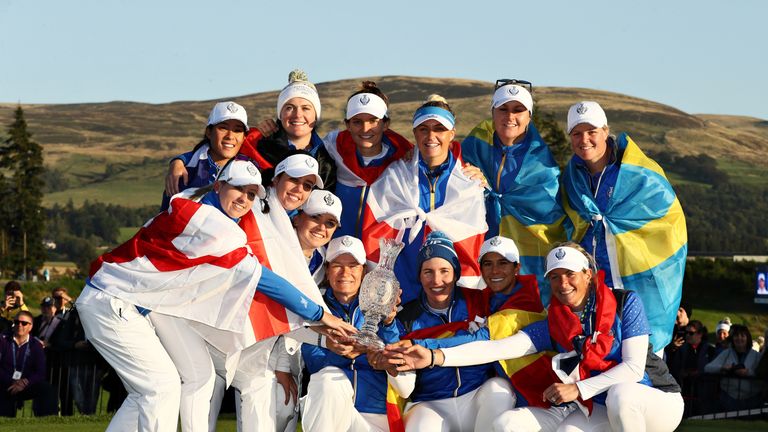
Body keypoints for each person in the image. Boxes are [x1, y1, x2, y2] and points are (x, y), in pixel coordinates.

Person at [77, 159, 354, 432]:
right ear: (219, 185)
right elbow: (262, 279)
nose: (244, 200)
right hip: (112, 300)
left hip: (133, 303)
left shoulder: (196, 202)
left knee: (181, 382)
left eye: (250, 194)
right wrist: (321, 316)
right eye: (238, 189)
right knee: (161, 388)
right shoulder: (215, 225)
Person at [390, 242, 684, 432]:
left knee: (623, 396)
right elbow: (495, 348)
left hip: (656, 400)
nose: (562, 283)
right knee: (531, 427)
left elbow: (633, 369)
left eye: (570, 274)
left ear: (588, 274)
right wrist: (432, 354)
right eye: (554, 276)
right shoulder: (552, 320)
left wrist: (578, 389)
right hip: (600, 407)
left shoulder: (624, 302)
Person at [561, 101, 688, 353]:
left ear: (606, 132)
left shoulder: (640, 172)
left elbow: (668, 221)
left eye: (591, 132)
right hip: (595, 290)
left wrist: (616, 226)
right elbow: (569, 223)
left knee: (641, 372)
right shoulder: (571, 176)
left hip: (638, 284)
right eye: (576, 133)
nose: (584, 139)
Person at [362, 95, 487, 303]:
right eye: (423, 129)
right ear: (415, 133)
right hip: (401, 281)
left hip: (448, 284)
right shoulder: (395, 175)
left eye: (439, 128)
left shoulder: (469, 182)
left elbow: (476, 240)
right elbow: (373, 229)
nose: (431, 136)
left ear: (451, 134)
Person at [385, 232, 515, 431]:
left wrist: (423, 347)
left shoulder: (480, 300)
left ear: (455, 273)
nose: (437, 280)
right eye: (428, 272)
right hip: (430, 403)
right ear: (419, 276)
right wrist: (388, 324)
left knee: (500, 389)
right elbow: (396, 358)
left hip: (477, 393)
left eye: (444, 271)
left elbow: (493, 337)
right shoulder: (405, 317)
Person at [460, 79, 566, 304]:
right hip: (480, 248)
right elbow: (446, 164)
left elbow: (550, 220)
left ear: (529, 116)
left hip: (526, 255)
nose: (510, 117)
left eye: (518, 110)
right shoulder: (473, 147)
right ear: (493, 112)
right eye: (503, 109)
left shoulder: (543, 165)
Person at [301, 235, 403, 432]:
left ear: (364, 271)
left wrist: (389, 323)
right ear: (327, 270)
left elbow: (396, 357)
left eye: (353, 266)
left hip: (374, 410)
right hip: (330, 407)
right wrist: (342, 351)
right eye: (337, 265)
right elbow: (313, 360)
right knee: (328, 378)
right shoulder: (314, 307)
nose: (345, 272)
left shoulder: (381, 303)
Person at [322, 81, 413, 237]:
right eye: (357, 122)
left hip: (378, 254)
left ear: (385, 124)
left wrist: (467, 168)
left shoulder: (404, 159)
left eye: (373, 121)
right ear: (347, 125)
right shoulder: (331, 148)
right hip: (338, 254)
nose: (365, 129)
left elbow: (442, 156)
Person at [162, 101, 249, 209]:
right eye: (223, 128)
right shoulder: (185, 172)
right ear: (209, 132)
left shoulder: (250, 170)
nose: (230, 136)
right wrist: (178, 162)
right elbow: (166, 217)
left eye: (237, 130)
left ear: (244, 137)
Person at [0, 311, 57, 417]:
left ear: (30, 327)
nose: (19, 325)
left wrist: (24, 382)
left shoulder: (36, 345)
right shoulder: (3, 341)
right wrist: (11, 381)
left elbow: (40, 372)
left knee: (47, 388)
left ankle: (48, 420)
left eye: (24, 323)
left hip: (26, 385)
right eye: (16, 322)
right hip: (5, 383)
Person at [705, 324, 764, 410]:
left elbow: (762, 373)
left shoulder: (756, 356)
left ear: (748, 338)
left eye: (742, 335)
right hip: (728, 400)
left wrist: (748, 372)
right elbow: (707, 368)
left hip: (752, 400)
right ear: (732, 338)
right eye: (736, 336)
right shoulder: (726, 353)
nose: (739, 338)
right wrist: (722, 368)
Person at [294, 189, 342, 285]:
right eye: (315, 217)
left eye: (330, 223)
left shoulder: (322, 259)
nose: (321, 227)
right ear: (296, 218)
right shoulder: (275, 244)